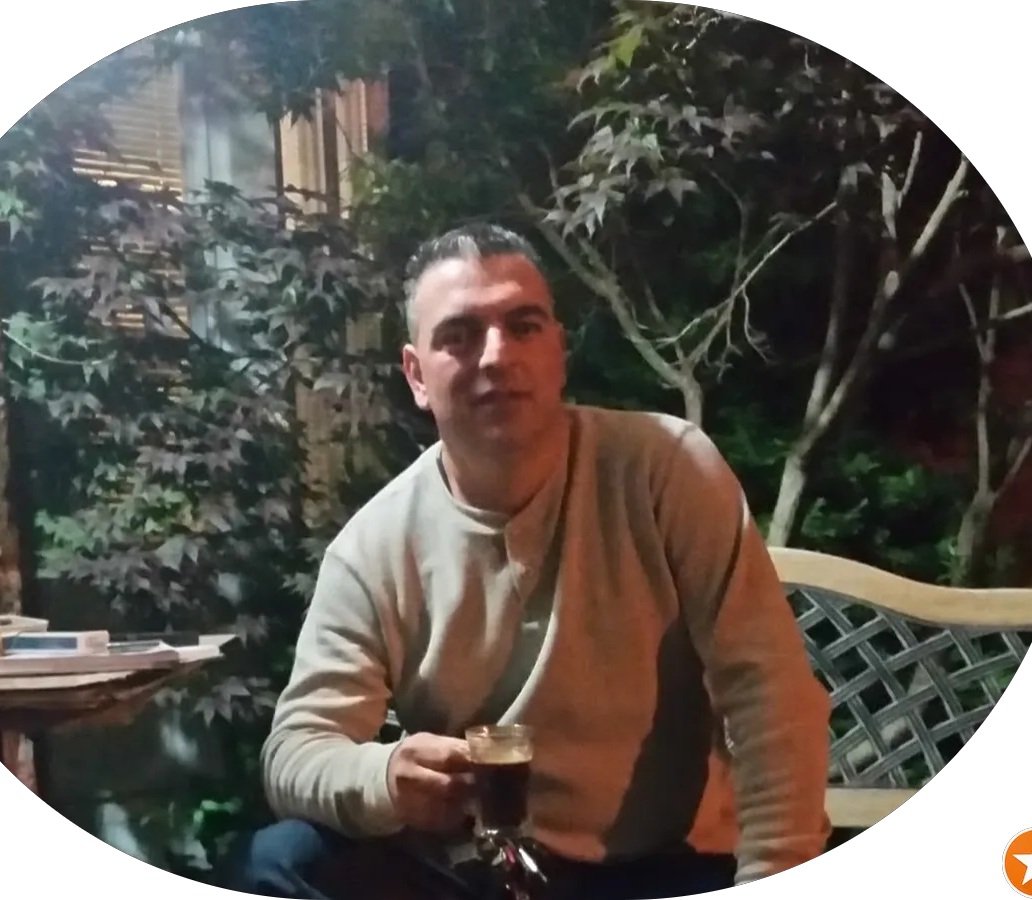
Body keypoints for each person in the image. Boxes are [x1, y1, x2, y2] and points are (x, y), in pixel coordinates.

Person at [230, 223, 832, 899]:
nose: (496, 355)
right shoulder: (374, 545)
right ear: (417, 375)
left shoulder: (665, 470)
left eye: (523, 326)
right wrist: (384, 778)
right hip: (479, 868)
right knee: (280, 860)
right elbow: (296, 750)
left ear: (557, 352)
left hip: (665, 865)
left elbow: (770, 694)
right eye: (459, 335)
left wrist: (773, 867)